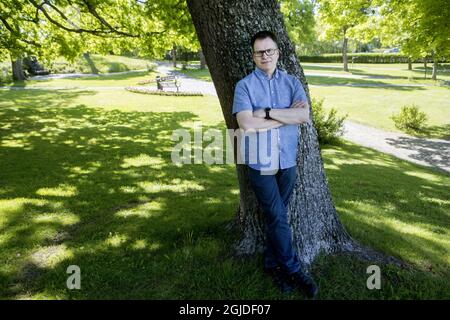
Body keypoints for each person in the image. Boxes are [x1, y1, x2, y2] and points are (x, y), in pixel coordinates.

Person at [232, 30, 318, 298]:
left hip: (287, 159)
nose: (265, 55)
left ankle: (272, 264)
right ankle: (293, 269)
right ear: (253, 56)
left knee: (275, 217)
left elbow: (303, 115)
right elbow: (246, 123)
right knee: (279, 216)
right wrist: (285, 116)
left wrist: (267, 113)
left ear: (278, 52)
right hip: (260, 163)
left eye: (269, 50)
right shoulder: (244, 86)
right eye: (259, 52)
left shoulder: (292, 83)